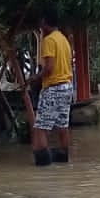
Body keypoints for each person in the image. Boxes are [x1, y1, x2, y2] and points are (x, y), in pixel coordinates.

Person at [30, 15, 75, 166]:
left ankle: (43, 165)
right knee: (63, 125)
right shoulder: (64, 40)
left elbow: (48, 69)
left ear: (44, 22)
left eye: (41, 22)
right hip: (67, 87)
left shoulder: (49, 40)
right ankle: (64, 158)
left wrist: (35, 78)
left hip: (53, 87)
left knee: (40, 128)